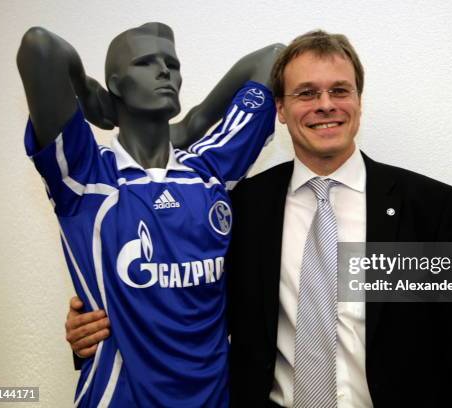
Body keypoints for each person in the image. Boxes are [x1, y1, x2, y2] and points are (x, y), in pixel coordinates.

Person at [65, 30, 452, 407]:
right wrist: (92, 335)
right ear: (279, 108)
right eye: (306, 93)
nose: (325, 105)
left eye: (340, 90)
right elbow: (194, 302)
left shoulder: (426, 206)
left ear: (359, 102)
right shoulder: (245, 205)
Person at [18, 22, 281, 407]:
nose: (165, 72)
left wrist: (193, 121)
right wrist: (91, 96)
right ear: (116, 84)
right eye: (145, 62)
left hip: (215, 397)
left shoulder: (209, 170)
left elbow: (273, 57)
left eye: (171, 64)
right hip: (121, 398)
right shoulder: (86, 176)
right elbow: (39, 48)